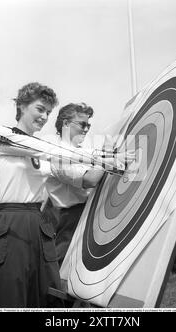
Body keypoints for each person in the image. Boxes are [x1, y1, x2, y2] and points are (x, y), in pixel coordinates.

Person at [0, 84, 118, 308]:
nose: (44, 116)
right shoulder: (4, 135)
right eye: (40, 109)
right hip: (11, 222)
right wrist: (104, 156)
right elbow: (56, 152)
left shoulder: (46, 148)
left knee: (46, 294)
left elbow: (66, 160)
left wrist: (109, 158)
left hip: (38, 224)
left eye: (48, 112)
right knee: (9, 291)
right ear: (21, 105)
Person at [45, 103, 121, 266]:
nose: (86, 129)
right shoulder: (57, 153)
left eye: (88, 125)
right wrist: (107, 155)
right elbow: (90, 180)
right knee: (63, 266)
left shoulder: (80, 151)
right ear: (65, 124)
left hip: (87, 211)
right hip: (69, 217)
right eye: (82, 124)